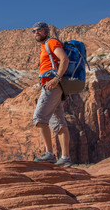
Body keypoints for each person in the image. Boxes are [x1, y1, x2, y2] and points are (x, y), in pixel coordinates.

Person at [32, 22, 72, 167]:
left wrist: (57, 79)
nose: (36, 32)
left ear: (46, 31)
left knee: (39, 117)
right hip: (55, 87)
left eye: (39, 30)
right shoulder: (44, 46)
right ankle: (65, 158)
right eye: (34, 31)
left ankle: (49, 154)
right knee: (59, 122)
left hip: (53, 86)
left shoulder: (52, 42)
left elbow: (64, 59)